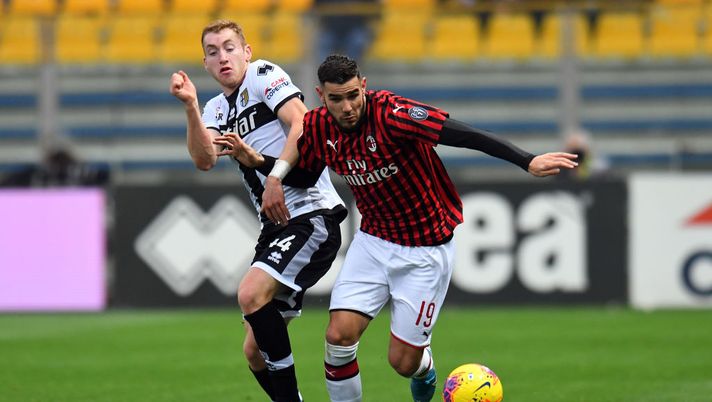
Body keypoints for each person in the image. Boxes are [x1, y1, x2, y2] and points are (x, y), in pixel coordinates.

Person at [226, 54, 578, 402]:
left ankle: (424, 367)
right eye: (336, 99)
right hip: (373, 241)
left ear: (363, 86)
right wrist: (260, 162)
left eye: (353, 95)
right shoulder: (319, 127)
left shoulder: (393, 114)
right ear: (322, 96)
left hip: (426, 250)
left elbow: (464, 135)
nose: (347, 106)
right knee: (338, 337)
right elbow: (304, 176)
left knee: (402, 362)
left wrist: (526, 160)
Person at [169, 21, 346, 402]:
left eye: (230, 47)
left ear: (246, 51)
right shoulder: (216, 108)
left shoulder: (264, 75)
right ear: (206, 63)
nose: (223, 57)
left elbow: (302, 121)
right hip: (277, 225)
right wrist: (191, 107)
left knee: (250, 293)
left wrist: (275, 175)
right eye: (213, 51)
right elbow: (204, 159)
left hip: (311, 213)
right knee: (254, 352)